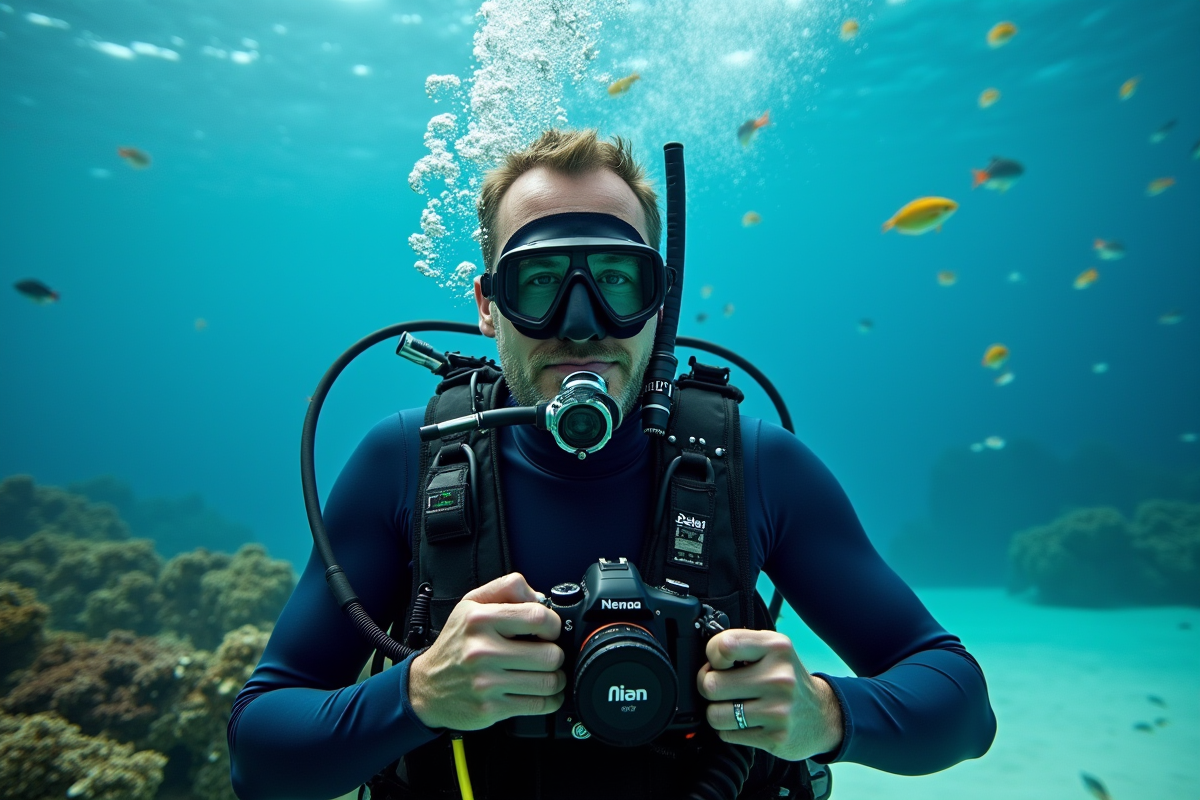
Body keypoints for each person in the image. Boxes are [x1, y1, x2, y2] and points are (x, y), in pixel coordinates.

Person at [227, 129, 996, 800]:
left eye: (617, 279)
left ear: (659, 301)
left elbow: (960, 706)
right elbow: (260, 757)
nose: (582, 323)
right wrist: (416, 694)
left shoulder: (754, 465)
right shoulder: (406, 463)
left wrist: (826, 714)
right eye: (541, 284)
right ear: (489, 305)